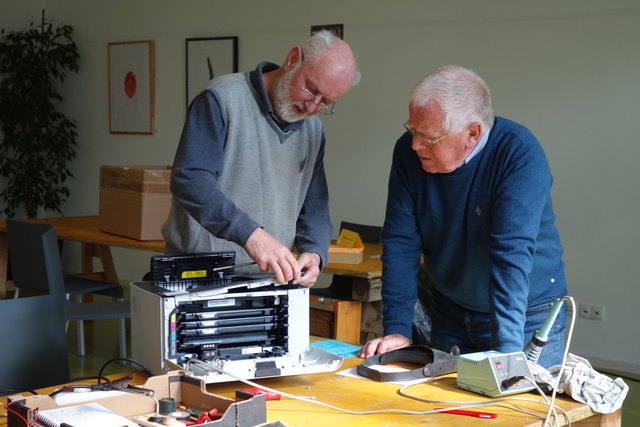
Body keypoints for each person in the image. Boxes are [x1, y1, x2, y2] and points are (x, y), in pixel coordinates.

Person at [359, 65, 568, 368]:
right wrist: (397, 330)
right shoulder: (408, 153)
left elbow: (510, 255)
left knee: (518, 409)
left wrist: (507, 354)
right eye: (412, 130)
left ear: (472, 133)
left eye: (427, 137)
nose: (415, 144)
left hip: (525, 316)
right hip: (451, 310)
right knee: (446, 410)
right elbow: (400, 242)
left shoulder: (518, 153)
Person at [162, 31, 360, 287]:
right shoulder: (221, 99)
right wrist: (252, 236)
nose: (312, 107)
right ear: (292, 59)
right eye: (311, 90)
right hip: (200, 276)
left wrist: (315, 252)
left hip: (271, 282)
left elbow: (314, 209)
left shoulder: (313, 131)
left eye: (326, 102)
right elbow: (189, 180)